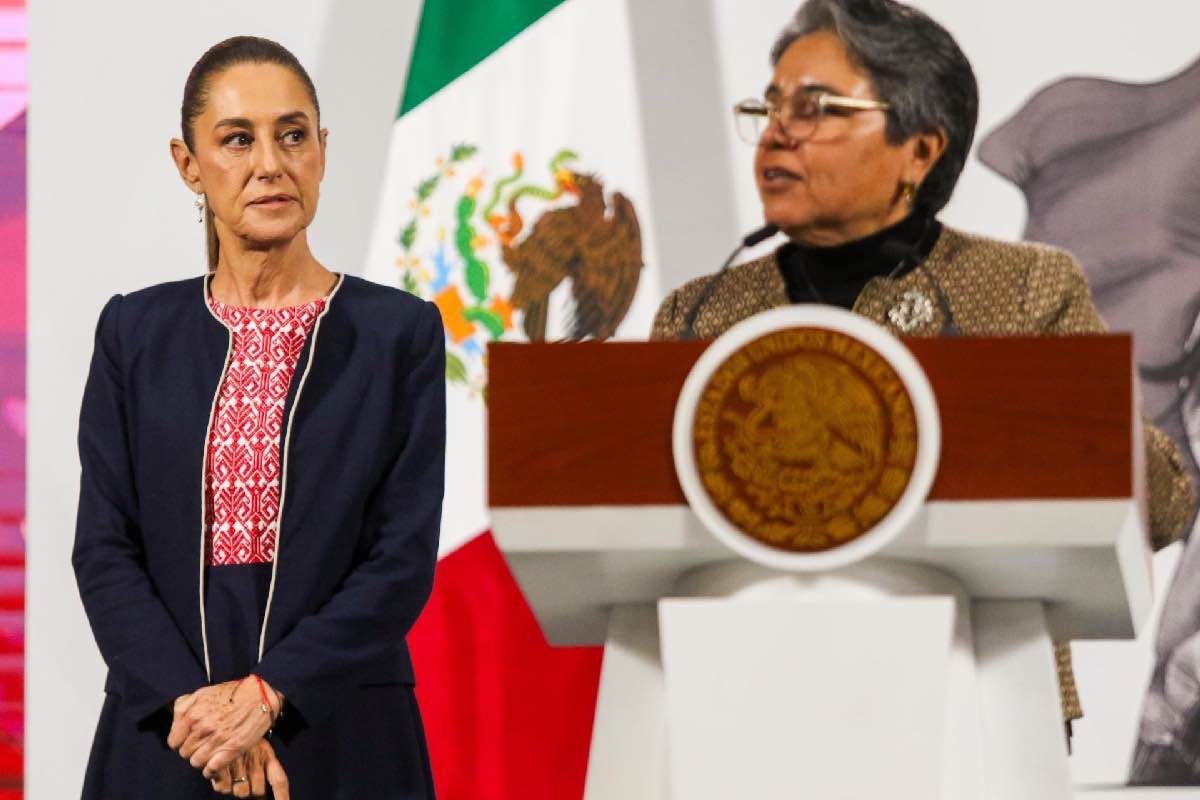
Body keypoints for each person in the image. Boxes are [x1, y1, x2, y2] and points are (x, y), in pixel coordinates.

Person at [650, 0, 1195, 736]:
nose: (777, 130)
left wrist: (1045, 414)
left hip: (977, 698)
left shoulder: (1023, 290)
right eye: (770, 104)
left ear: (920, 149)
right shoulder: (705, 312)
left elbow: (1160, 506)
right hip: (743, 696)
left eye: (814, 108)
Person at [72, 36, 444, 798]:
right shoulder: (134, 334)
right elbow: (105, 551)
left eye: (293, 134)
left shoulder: (395, 333)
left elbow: (400, 558)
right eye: (237, 140)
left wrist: (269, 696)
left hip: (341, 728)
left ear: (323, 150)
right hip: (168, 734)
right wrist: (200, 710)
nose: (270, 163)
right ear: (188, 165)